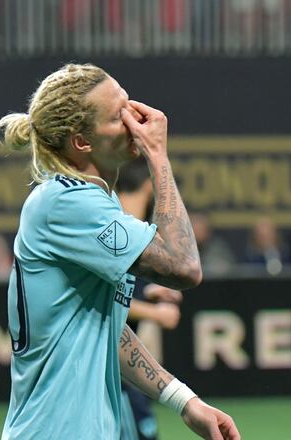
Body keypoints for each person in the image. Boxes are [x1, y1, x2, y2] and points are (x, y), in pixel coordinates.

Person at [0, 63, 239, 440]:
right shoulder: (67, 202)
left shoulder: (86, 203)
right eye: (118, 113)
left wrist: (184, 401)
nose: (136, 118)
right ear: (81, 142)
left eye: (129, 103)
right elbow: (185, 267)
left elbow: (107, 330)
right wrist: (158, 157)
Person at [117, 157, 184, 440]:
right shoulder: (120, 226)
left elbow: (118, 285)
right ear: (149, 187)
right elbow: (101, 303)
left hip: (122, 372)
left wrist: (148, 289)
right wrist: (156, 314)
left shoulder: (122, 224)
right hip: (108, 375)